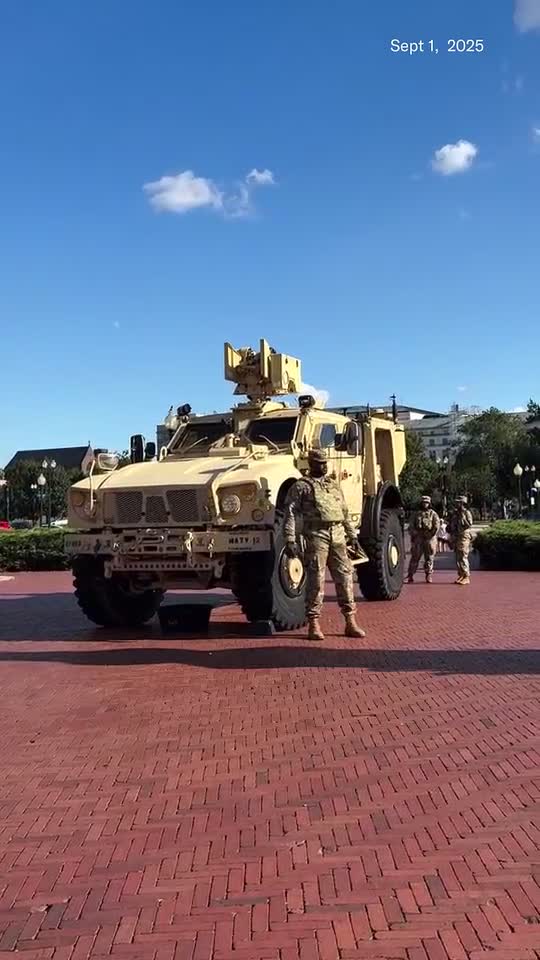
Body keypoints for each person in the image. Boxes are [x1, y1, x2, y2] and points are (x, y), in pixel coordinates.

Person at [284, 448, 368, 642]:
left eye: (325, 462)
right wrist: (290, 539)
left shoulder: (333, 485)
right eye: (320, 463)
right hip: (316, 534)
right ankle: (314, 622)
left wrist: (352, 535)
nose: (324, 466)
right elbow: (290, 514)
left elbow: (344, 511)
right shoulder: (301, 487)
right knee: (316, 578)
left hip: (337, 533)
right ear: (312, 464)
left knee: (345, 576)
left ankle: (350, 620)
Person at [407, 495, 440, 583]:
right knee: (415, 557)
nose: (425, 504)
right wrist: (415, 534)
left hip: (429, 538)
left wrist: (430, 534)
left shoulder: (433, 514)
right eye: (423, 502)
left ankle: (428, 575)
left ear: (429, 504)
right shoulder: (416, 514)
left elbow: (436, 526)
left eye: (427, 503)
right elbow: (411, 526)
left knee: (429, 558)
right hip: (419, 538)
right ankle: (410, 575)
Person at [448, 495, 474, 585]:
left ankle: (466, 576)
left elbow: (469, 524)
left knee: (463, 555)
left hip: (464, 536)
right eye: (457, 502)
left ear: (463, 503)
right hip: (456, 536)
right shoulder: (455, 513)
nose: (457, 504)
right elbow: (451, 525)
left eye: (459, 502)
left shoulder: (466, 513)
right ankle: (461, 575)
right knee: (457, 557)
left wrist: (462, 517)